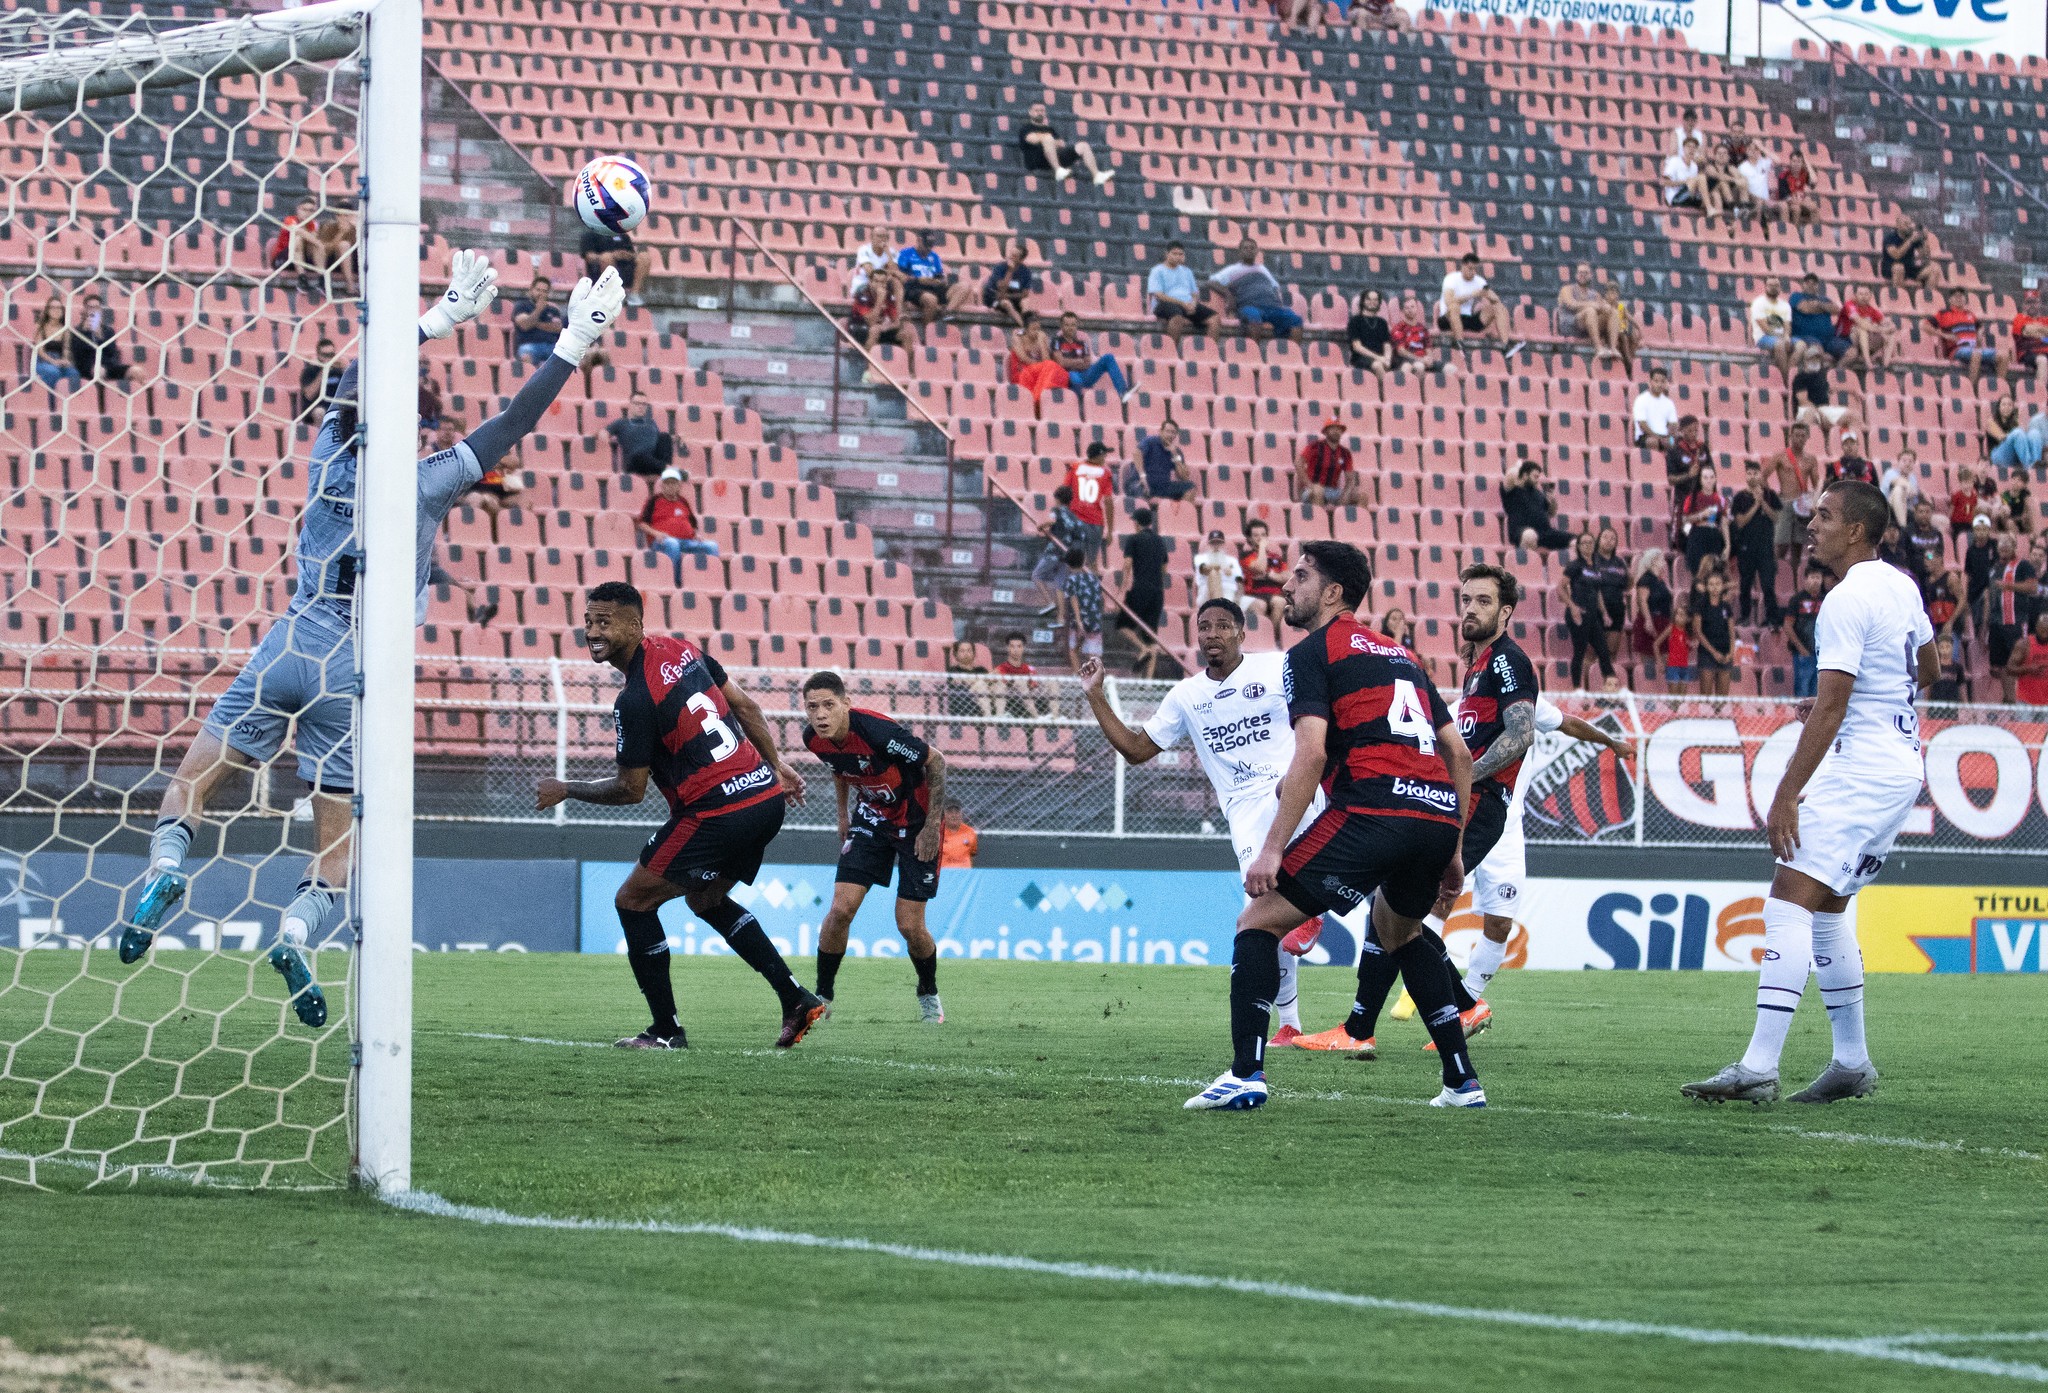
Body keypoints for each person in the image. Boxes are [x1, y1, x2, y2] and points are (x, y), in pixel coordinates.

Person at [117, 256, 614, 1022]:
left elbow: (353, 380)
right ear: (415, 434)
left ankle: (165, 865)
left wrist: (439, 318)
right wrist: (573, 342)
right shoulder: (428, 481)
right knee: (335, 845)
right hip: (353, 666)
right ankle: (294, 932)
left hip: (287, 642)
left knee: (192, 780)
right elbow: (515, 421)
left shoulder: (326, 461)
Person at [1190, 542, 1482, 1110]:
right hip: (1435, 816)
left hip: (1374, 811)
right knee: (1401, 933)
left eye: (1300, 576)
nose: (1287, 585)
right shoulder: (1403, 655)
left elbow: (1312, 754)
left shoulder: (1311, 652)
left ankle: (1245, 1074)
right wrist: (1454, 847)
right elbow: (1458, 755)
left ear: (1332, 593)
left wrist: (1272, 849)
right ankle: (1461, 1081)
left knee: (1257, 921)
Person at [1685, 481, 1934, 1105]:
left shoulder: (1845, 600)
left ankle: (1759, 1066)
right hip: (1900, 765)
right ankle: (1850, 1062)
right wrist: (1857, 704)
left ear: (1856, 531)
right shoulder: (1901, 584)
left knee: (1788, 898)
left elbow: (1832, 708)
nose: (1812, 524)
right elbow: (1927, 671)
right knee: (1827, 911)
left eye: (1824, 515)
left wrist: (1785, 794)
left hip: (1862, 772)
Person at [539, 581, 825, 1050]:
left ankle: (666, 1032)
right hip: (763, 798)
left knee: (633, 901)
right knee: (706, 900)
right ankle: (795, 999)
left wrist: (566, 788)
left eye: (605, 621)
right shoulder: (684, 651)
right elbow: (746, 706)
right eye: (589, 621)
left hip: (718, 811)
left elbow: (630, 791)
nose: (593, 631)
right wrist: (774, 767)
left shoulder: (634, 699)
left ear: (635, 624)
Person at [1081, 599, 1323, 1050]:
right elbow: (1136, 750)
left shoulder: (1277, 668)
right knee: (1263, 916)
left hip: (1293, 786)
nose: (1212, 634)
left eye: (1222, 626)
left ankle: (1310, 912)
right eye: (1204, 627)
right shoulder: (1186, 696)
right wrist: (1096, 694)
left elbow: (1321, 715)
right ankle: (1289, 1022)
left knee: (1284, 899)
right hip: (1244, 810)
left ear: (1241, 632)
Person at [1405, 567, 1636, 1008]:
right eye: (1466, 604)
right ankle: (1420, 995)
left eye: (1482, 604)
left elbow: (1567, 723)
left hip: (1506, 824)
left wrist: (1612, 742)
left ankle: (1468, 1000)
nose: (1468, 621)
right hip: (1473, 811)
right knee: (1436, 898)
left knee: (1499, 924)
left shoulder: (1517, 686)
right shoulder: (1461, 705)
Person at [800, 672, 949, 1022]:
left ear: (845, 704)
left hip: (915, 824)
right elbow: (839, 769)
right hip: (871, 820)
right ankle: (822, 996)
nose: (820, 714)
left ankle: (927, 991)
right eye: (812, 707)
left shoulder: (877, 732)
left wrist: (931, 827)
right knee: (840, 911)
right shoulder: (814, 739)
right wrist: (841, 814)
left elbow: (937, 761)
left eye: (828, 705)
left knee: (910, 926)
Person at [1204, 238, 1303, 343]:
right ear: (1240, 252)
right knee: (1254, 318)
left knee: (1296, 320)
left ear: (1256, 251)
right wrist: (1228, 294)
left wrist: (1277, 301)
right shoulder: (1233, 270)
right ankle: (1254, 353)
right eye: (1245, 248)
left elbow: (1275, 286)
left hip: (1272, 307)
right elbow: (1211, 282)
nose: (1249, 250)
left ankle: (1293, 354)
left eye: (1252, 248)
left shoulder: (1262, 269)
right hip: (1249, 306)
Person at [637, 467, 719, 580]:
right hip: (662, 542)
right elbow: (642, 523)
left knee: (712, 546)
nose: (670, 486)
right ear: (662, 485)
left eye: (674, 483)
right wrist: (656, 534)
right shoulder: (654, 500)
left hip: (687, 541)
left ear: (679, 486)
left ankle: (712, 579)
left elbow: (692, 523)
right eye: (667, 483)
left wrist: (695, 535)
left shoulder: (683, 501)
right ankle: (676, 581)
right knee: (673, 544)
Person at [1118, 506, 1168, 679]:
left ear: (1137, 523)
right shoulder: (1159, 540)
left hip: (1140, 588)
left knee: (1123, 625)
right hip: (1157, 591)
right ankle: (1148, 681)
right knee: (1151, 635)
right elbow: (1164, 567)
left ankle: (1142, 648)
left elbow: (1127, 564)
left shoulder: (1133, 539)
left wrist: (1123, 587)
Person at [1015, 99, 1112, 188]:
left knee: (1083, 146)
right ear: (1030, 112)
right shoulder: (1026, 128)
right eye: (1037, 110)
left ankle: (1096, 175)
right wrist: (1047, 139)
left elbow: (1061, 144)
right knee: (1047, 138)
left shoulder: (1049, 129)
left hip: (1054, 156)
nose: (1040, 113)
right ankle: (1058, 170)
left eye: (1042, 110)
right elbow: (1032, 139)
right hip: (1036, 160)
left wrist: (1046, 140)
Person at [1731, 460, 1782, 627]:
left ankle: (1772, 618)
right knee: (1745, 585)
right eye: (1750, 473)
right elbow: (1740, 522)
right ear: (1745, 476)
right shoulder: (1740, 498)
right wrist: (1756, 504)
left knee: (1768, 585)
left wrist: (1763, 503)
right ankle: (1745, 616)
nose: (1753, 476)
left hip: (1766, 549)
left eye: (1755, 473)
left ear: (1760, 475)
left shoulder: (1770, 495)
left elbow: (1776, 518)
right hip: (1746, 548)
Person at [1561, 533, 1614, 690]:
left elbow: (1597, 592)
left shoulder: (1596, 565)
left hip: (1592, 615)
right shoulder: (1575, 565)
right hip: (1579, 613)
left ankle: (1611, 687)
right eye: (1584, 543)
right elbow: (1560, 588)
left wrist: (1604, 613)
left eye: (1590, 542)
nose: (1588, 546)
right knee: (1580, 651)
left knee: (1604, 651)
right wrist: (1572, 606)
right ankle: (1577, 688)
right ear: (1578, 546)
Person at [1987, 534, 2036, 702]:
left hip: (2016, 621)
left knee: (2016, 662)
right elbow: (1990, 596)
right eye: (2001, 544)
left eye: (2008, 545)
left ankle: (2018, 700)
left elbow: (2032, 587)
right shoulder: (1993, 567)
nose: (2004, 548)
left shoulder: (2024, 565)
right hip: (1996, 622)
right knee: (2000, 666)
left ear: (2015, 546)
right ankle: (2008, 699)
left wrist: (2008, 586)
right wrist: (1987, 622)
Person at [1436, 252, 1514, 352]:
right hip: (1448, 318)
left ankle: (1505, 344)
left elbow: (1496, 299)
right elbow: (1449, 301)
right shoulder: (1451, 279)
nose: (1473, 272)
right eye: (1470, 268)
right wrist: (1472, 294)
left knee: (1498, 307)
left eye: (1475, 269)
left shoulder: (1479, 281)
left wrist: (1488, 294)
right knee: (1454, 306)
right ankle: (1459, 342)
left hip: (1467, 318)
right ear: (1463, 266)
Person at [895, 229, 975, 325]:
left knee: (964, 286)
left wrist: (940, 281)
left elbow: (939, 276)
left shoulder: (934, 257)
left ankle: (946, 314)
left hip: (933, 287)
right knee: (931, 300)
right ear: (919, 240)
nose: (929, 249)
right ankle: (927, 330)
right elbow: (899, 275)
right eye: (926, 246)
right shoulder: (905, 254)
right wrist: (918, 279)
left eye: (930, 247)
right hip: (914, 288)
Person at [1931, 288, 2004, 386]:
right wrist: (1943, 335)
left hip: (1973, 349)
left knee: (2003, 355)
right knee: (1976, 354)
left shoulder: (1970, 314)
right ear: (1949, 300)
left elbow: (1980, 327)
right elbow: (1924, 325)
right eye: (1956, 296)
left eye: (1961, 296)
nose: (1959, 298)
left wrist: (1979, 333)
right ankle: (1971, 388)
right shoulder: (1944, 313)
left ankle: (1999, 386)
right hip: (1956, 350)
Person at [1147, 239, 1215, 344]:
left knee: (1214, 319)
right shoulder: (1157, 271)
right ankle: (1172, 353)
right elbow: (1159, 295)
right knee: (1177, 318)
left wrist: (1193, 303)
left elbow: (1194, 293)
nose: (1178, 256)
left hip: (1187, 304)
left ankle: (1211, 352)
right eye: (1174, 254)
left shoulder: (1187, 271)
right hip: (1164, 304)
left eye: (1181, 254)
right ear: (1167, 254)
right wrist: (1182, 304)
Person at [1051, 310, 1131, 400]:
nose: (1070, 328)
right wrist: (1078, 361)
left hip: (1085, 374)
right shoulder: (1057, 341)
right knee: (1074, 376)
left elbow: (1087, 363)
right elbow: (1061, 363)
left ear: (1077, 326)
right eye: (1067, 325)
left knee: (1108, 358)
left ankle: (1123, 393)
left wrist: (1070, 362)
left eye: (1073, 325)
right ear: (1061, 326)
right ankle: (1078, 403)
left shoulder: (1083, 343)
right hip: (1067, 375)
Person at [1033, 486, 1083, 616]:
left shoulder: (1056, 510)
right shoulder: (1073, 516)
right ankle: (1061, 617)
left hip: (1054, 552)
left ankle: (1050, 602)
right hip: (1067, 554)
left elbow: (1051, 520)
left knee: (1036, 575)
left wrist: (1040, 526)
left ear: (1057, 499)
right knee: (1060, 585)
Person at [1501, 459, 1571, 551]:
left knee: (1576, 541)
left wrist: (1552, 501)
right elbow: (1510, 475)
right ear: (1525, 475)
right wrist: (1520, 467)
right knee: (1530, 535)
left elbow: (1552, 513)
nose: (1538, 480)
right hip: (1521, 532)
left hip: (1544, 532)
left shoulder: (1538, 493)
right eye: (1535, 476)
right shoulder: (1512, 490)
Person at [1063, 442, 1113, 567]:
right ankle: (1088, 585)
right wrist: (1110, 530)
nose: (1105, 458)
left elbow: (1064, 491)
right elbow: (1108, 501)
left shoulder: (1075, 467)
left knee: (1073, 561)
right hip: (1095, 523)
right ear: (1098, 456)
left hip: (1075, 519)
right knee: (1090, 563)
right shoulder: (1105, 473)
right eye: (1104, 455)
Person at [1788, 273, 1854, 366]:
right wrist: (1824, 308)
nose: (1811, 286)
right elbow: (1806, 309)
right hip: (1806, 337)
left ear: (1818, 285)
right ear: (1803, 284)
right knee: (1818, 353)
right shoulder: (1796, 296)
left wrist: (1819, 305)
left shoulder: (1824, 299)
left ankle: (1836, 373)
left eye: (1814, 283)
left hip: (1829, 339)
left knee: (1852, 353)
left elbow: (1837, 310)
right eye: (1808, 283)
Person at [1679, 462, 1731, 578]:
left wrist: (1728, 545)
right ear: (1701, 480)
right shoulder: (1692, 498)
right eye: (1705, 477)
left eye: (1711, 477)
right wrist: (1701, 515)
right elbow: (1685, 519)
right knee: (1698, 575)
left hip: (1714, 535)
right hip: (1698, 535)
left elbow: (1724, 522)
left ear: (1715, 479)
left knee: (1715, 573)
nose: (1709, 480)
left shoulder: (1720, 499)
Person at [1297, 417, 1362, 509]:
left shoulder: (1345, 453)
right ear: (1326, 431)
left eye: (1339, 429)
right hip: (1311, 489)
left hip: (1332, 491)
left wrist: (1346, 494)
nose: (1336, 431)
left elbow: (1350, 478)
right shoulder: (1315, 446)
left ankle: (1355, 523)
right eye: (1332, 428)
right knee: (1318, 491)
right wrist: (1309, 485)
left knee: (1362, 496)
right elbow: (1298, 463)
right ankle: (1319, 523)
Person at [608, 390, 675, 480]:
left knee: (665, 436)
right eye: (637, 403)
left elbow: (659, 443)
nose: (641, 407)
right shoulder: (621, 423)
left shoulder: (651, 423)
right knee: (639, 456)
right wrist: (601, 435)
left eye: (644, 404)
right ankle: (670, 471)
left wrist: (677, 438)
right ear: (630, 405)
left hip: (652, 462)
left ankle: (666, 470)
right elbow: (604, 433)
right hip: (635, 463)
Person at [579, 222, 648, 307]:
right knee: (606, 257)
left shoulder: (623, 235)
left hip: (625, 268)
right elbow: (589, 256)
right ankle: (612, 294)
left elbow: (632, 253)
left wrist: (626, 255)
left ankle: (634, 294)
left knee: (644, 257)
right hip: (599, 271)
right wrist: (613, 255)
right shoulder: (590, 234)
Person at [1557, 263, 1615, 360]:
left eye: (1585, 273)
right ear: (1576, 275)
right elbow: (1572, 304)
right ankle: (1598, 349)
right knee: (1590, 311)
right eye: (1580, 272)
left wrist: (1606, 306)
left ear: (1591, 275)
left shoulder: (1595, 294)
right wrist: (1592, 304)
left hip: (1589, 327)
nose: (1582, 275)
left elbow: (1602, 306)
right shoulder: (1566, 289)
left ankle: (1613, 348)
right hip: (1570, 326)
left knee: (1613, 312)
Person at [68, 290, 128, 386]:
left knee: (136, 371)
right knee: (98, 371)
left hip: (108, 366)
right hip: (87, 367)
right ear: (84, 310)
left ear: (100, 310)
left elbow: (112, 352)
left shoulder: (108, 330)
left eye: (96, 307)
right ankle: (103, 399)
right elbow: (77, 353)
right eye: (90, 307)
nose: (93, 310)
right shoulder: (77, 331)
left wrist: (100, 336)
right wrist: (84, 332)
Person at [1690, 571, 1735, 698]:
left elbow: (1731, 631)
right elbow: (1698, 631)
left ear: (1722, 586)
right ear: (1706, 586)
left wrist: (1731, 651)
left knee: (1722, 697)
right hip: (1707, 653)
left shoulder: (1726, 606)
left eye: (1717, 584)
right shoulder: (1700, 605)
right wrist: (1713, 652)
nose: (1714, 587)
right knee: (1706, 696)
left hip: (1725, 652)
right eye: (1711, 584)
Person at [1783, 565, 1825, 699]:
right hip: (1803, 655)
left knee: (1817, 693)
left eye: (1818, 577)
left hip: (1821, 655)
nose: (1815, 581)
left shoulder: (1826, 600)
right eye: (1812, 577)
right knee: (1802, 691)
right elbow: (1788, 626)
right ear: (1805, 579)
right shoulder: (1797, 600)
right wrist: (1800, 648)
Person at [1241, 519, 1287, 638]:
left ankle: (1272, 638)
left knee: (1280, 601)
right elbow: (1260, 568)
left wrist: (1272, 576)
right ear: (1249, 538)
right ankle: (1262, 638)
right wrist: (1262, 548)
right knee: (1261, 605)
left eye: (1263, 535)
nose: (1260, 538)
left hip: (1275, 594)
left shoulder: (1276, 557)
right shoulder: (1246, 556)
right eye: (1256, 535)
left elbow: (1288, 577)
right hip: (1254, 594)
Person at [1060, 547, 1105, 671]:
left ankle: (1077, 678)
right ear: (1083, 561)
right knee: (1093, 653)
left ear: (1068, 564)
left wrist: (1079, 620)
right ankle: (1094, 680)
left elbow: (1073, 599)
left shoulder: (1071, 580)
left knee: (1073, 649)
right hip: (1095, 619)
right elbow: (1099, 598)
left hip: (1079, 621)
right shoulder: (1093, 578)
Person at [1132, 420, 1195, 504]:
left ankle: (1181, 517)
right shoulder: (1150, 441)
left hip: (1162, 486)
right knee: (1139, 492)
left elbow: (1184, 477)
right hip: (1141, 482)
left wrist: (1175, 455)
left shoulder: (1176, 451)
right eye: (1167, 431)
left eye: (1173, 432)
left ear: (1176, 435)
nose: (1170, 435)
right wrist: (1142, 476)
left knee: (1190, 487)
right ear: (1161, 432)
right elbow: (1136, 453)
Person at [27, 296, 81, 393]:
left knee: (73, 373)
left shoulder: (65, 329)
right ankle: (50, 401)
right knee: (53, 372)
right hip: (42, 361)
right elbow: (40, 351)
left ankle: (66, 401)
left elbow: (66, 349)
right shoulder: (40, 326)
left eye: (59, 308)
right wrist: (54, 362)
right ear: (47, 310)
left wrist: (64, 359)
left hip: (59, 361)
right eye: (53, 307)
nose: (56, 310)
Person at [1748, 274, 1796, 380]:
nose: (1774, 288)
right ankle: (1786, 380)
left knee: (1801, 346)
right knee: (1780, 345)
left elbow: (1787, 325)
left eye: (1776, 285)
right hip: (1763, 337)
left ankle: (1789, 373)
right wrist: (1784, 338)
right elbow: (1765, 328)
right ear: (1765, 287)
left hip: (1782, 337)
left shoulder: (1785, 305)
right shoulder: (1758, 303)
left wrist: (1787, 336)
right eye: (1771, 285)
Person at [511, 276, 565, 367]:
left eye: (544, 291)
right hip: (529, 345)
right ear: (531, 290)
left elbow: (557, 328)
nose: (541, 293)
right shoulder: (522, 306)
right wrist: (538, 310)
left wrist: (534, 323)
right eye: (538, 290)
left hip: (551, 346)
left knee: (567, 359)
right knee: (526, 357)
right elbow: (524, 325)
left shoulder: (553, 310)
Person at [1879, 213, 1941, 293]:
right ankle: (1900, 297)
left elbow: (1925, 256)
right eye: (1905, 224)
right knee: (1899, 267)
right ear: (1898, 226)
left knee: (1935, 268)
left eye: (1909, 223)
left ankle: (1927, 297)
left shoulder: (1913, 235)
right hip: (1890, 267)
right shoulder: (1890, 238)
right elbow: (1896, 255)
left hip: (1909, 267)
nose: (1908, 226)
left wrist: (1924, 238)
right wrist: (1910, 241)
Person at [1987, 394, 2048, 472]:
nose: (2007, 407)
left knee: (2034, 433)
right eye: (2003, 404)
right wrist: (2017, 435)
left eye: (2010, 405)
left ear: (2013, 408)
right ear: (1998, 407)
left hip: (2014, 457)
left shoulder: (2015, 422)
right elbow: (2001, 437)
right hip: (1998, 455)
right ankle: (2029, 466)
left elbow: (2024, 438)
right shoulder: (1991, 421)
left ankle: (2036, 464)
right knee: (2018, 433)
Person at [1836, 284, 1892, 369]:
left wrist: (1889, 327)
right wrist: (1881, 329)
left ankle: (1885, 366)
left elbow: (1889, 324)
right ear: (1855, 295)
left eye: (1866, 294)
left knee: (1891, 333)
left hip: (1863, 342)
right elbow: (1861, 323)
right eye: (1861, 294)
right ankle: (1868, 363)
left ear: (1870, 296)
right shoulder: (1849, 305)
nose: (1863, 297)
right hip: (1844, 339)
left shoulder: (1871, 310)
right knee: (1862, 328)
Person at [994, 633, 1048, 719]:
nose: (1016, 650)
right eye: (1012, 646)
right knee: (1019, 682)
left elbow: (1033, 685)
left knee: (1052, 684)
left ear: (1023, 648)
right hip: (1009, 701)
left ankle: (1055, 717)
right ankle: (1037, 718)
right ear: (1007, 648)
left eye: (1019, 646)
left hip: (1029, 699)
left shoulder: (1030, 669)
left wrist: (1031, 685)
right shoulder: (1000, 669)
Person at [1662, 137, 1720, 217]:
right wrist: (1685, 182)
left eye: (1694, 147)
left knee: (1715, 193)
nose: (1691, 149)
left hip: (1690, 197)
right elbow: (1664, 182)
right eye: (1689, 146)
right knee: (1701, 177)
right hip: (1676, 198)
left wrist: (1704, 163)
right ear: (1683, 148)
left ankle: (1722, 223)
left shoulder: (1694, 165)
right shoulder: (1675, 161)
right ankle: (1709, 208)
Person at [981, 243, 1036, 327]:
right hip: (994, 299)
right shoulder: (999, 267)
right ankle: (1024, 327)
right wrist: (1010, 271)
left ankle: (1029, 324)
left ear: (1021, 260)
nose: (1010, 257)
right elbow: (1001, 289)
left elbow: (1025, 294)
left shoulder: (1026, 272)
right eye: (1010, 253)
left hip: (1011, 298)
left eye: (1014, 256)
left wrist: (1008, 296)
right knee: (1007, 303)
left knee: (1026, 302)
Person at [1347, 287, 1397, 373]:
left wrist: (1387, 359)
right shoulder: (1355, 321)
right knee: (1377, 365)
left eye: (1375, 300)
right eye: (1368, 299)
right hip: (1361, 358)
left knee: (1402, 367)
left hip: (1382, 358)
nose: (1372, 302)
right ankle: (1386, 386)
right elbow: (1357, 347)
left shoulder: (1382, 322)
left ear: (1379, 302)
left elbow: (1387, 344)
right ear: (1363, 301)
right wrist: (1378, 358)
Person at [943, 639, 994, 718]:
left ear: (974, 653)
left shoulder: (981, 670)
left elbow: (991, 682)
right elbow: (957, 681)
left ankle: (997, 715)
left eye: (969, 650)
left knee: (998, 685)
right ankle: (988, 717)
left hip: (985, 699)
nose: (966, 654)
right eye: (962, 651)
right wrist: (980, 681)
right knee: (981, 684)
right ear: (956, 654)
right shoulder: (953, 670)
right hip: (965, 703)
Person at [296, 336, 344, 421]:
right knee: (320, 412)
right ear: (318, 355)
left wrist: (345, 369)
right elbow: (309, 395)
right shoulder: (310, 371)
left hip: (336, 407)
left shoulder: (338, 371)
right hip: (316, 410)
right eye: (325, 355)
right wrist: (323, 371)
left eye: (331, 355)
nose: (329, 358)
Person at [1631, 367, 1679, 450]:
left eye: (1662, 381)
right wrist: (1658, 437)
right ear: (1650, 382)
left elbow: (1673, 424)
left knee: (1676, 442)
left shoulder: (1669, 402)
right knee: (1653, 442)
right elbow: (1642, 424)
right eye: (1656, 381)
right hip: (1645, 437)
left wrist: (1670, 436)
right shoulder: (1641, 399)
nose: (1659, 384)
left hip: (1664, 436)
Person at [2008, 612, 2048, 706]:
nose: (2045, 634)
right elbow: (2009, 668)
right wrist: (2028, 669)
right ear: (2037, 628)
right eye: (2043, 630)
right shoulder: (2024, 645)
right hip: (2026, 700)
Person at [1194, 528, 1243, 604]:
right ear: (1208, 544)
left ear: (1223, 544)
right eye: (1213, 543)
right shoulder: (1200, 558)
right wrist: (1221, 567)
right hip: (1207, 594)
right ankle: (1219, 606)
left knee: (1259, 605)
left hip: (1230, 593)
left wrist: (1238, 599)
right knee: (1213, 573)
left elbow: (1240, 582)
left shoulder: (1233, 561)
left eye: (1219, 543)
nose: (1216, 546)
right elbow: (1204, 569)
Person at [2012, 288, 2048, 383]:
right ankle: (2040, 395)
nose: (2032, 305)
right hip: (2028, 353)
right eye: (2029, 302)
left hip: (2045, 351)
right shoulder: (2019, 318)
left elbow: (2031, 331)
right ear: (2024, 305)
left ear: (2039, 304)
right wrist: (2043, 332)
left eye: (2035, 302)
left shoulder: (2045, 320)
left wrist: (2035, 330)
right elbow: (2026, 331)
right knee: (2042, 360)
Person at [1776, 149, 1819, 229]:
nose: (1796, 164)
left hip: (1799, 199)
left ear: (1802, 163)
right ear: (1790, 162)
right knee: (1796, 209)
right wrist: (1799, 201)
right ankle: (1794, 235)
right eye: (1794, 161)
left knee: (1814, 207)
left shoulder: (1804, 173)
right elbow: (1784, 197)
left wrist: (1807, 163)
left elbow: (1814, 181)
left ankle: (1815, 231)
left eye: (1799, 162)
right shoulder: (1784, 176)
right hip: (1787, 201)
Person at [1390, 293, 1434, 368]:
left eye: (1412, 307)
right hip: (1406, 360)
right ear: (1402, 310)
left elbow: (1428, 348)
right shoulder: (1398, 328)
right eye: (1407, 308)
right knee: (1419, 366)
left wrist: (1429, 359)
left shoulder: (1423, 328)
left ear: (1417, 308)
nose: (1410, 310)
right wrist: (1420, 360)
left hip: (1423, 359)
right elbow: (1401, 351)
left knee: (1450, 368)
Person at [1664, 591, 1693, 694]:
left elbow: (1687, 648)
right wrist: (1659, 661)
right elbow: (1656, 644)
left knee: (1682, 698)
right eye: (1677, 614)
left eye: (1682, 615)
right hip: (1673, 666)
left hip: (1684, 666)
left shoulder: (1687, 633)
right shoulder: (1671, 629)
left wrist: (1691, 645)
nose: (1678, 617)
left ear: (1688, 619)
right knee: (1674, 698)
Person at [939, 800, 979, 869]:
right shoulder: (938, 832)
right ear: (943, 814)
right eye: (950, 812)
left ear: (961, 813)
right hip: (944, 872)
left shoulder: (970, 832)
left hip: (964, 873)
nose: (954, 815)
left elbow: (972, 854)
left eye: (957, 812)